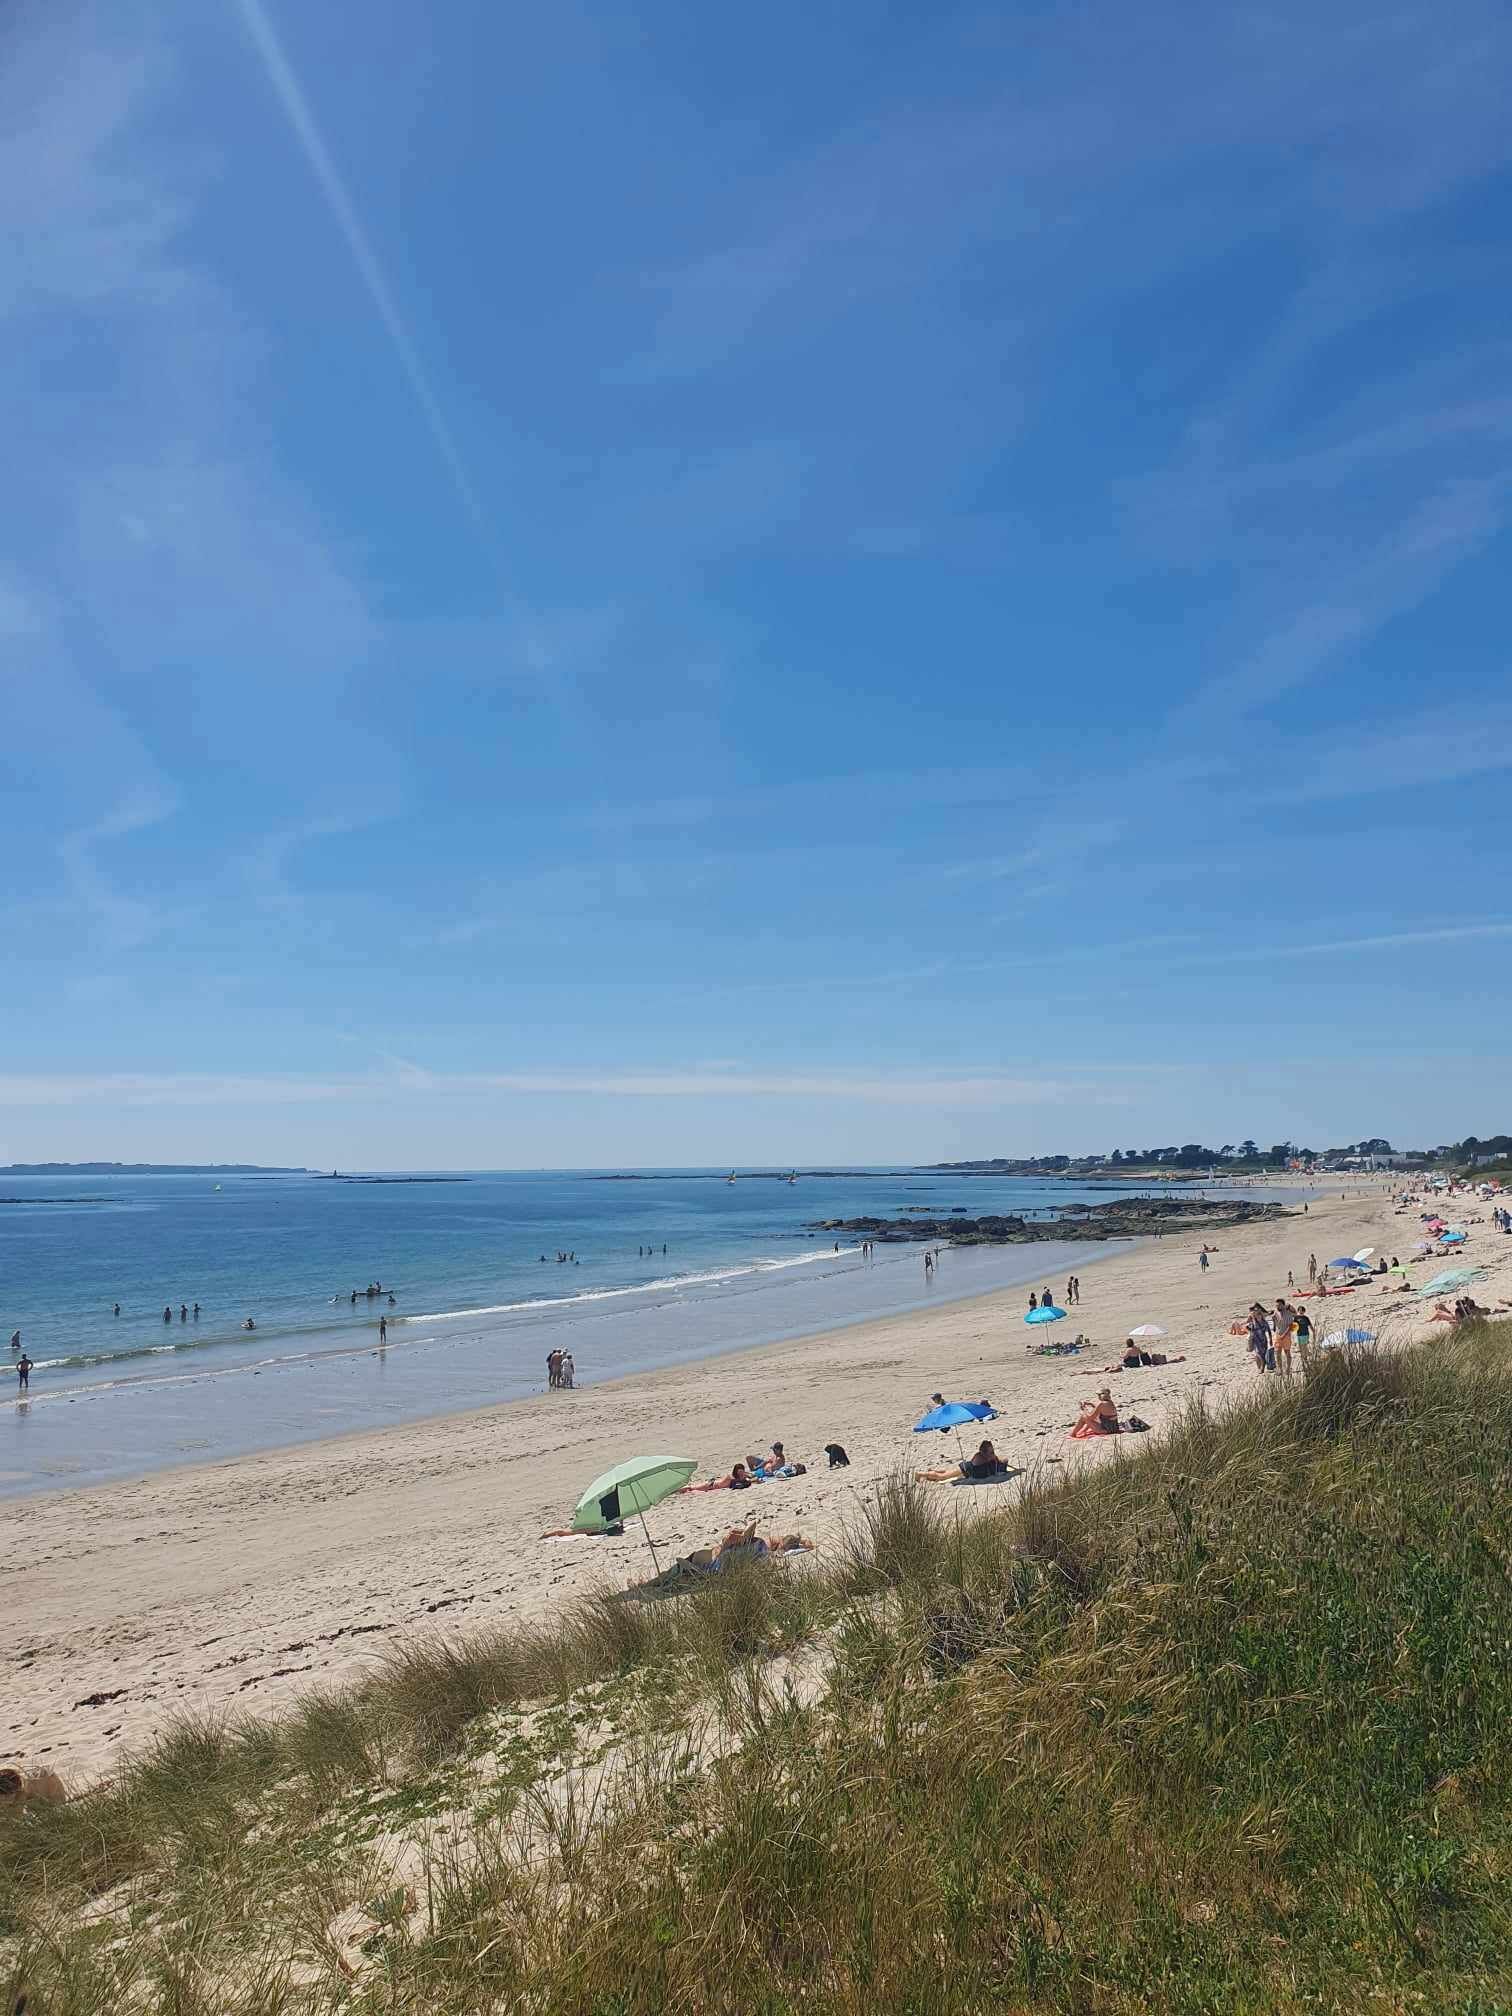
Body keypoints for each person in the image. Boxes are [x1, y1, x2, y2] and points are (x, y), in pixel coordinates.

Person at [917, 1438, 1006, 1483]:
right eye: (991, 1450)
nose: (993, 1452)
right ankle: (921, 1474)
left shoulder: (981, 1455)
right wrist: (995, 1457)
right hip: (966, 1469)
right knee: (944, 1477)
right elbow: (997, 1460)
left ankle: (931, 1473)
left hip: (966, 1467)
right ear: (986, 1451)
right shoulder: (983, 1457)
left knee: (948, 1472)